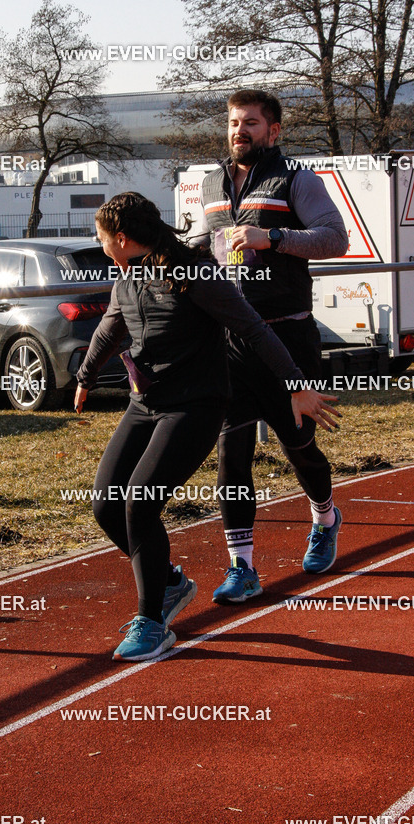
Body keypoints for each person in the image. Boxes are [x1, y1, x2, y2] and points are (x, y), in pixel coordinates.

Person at [75, 192, 339, 662]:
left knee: (139, 503)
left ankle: (153, 621)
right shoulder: (127, 277)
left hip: (195, 406)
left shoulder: (194, 272)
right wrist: (85, 377)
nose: (99, 247)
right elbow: (111, 328)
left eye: (101, 238)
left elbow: (254, 329)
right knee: (106, 505)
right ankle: (170, 582)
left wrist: (296, 385)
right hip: (146, 403)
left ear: (120, 238)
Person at [200, 88, 349, 603]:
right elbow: (206, 248)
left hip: (287, 334)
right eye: (235, 123)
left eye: (252, 124)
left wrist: (274, 238)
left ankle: (325, 515)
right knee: (232, 452)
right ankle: (242, 565)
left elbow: (335, 239)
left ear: (274, 130)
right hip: (231, 342)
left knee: (297, 444)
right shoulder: (209, 183)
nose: (240, 131)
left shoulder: (297, 180)